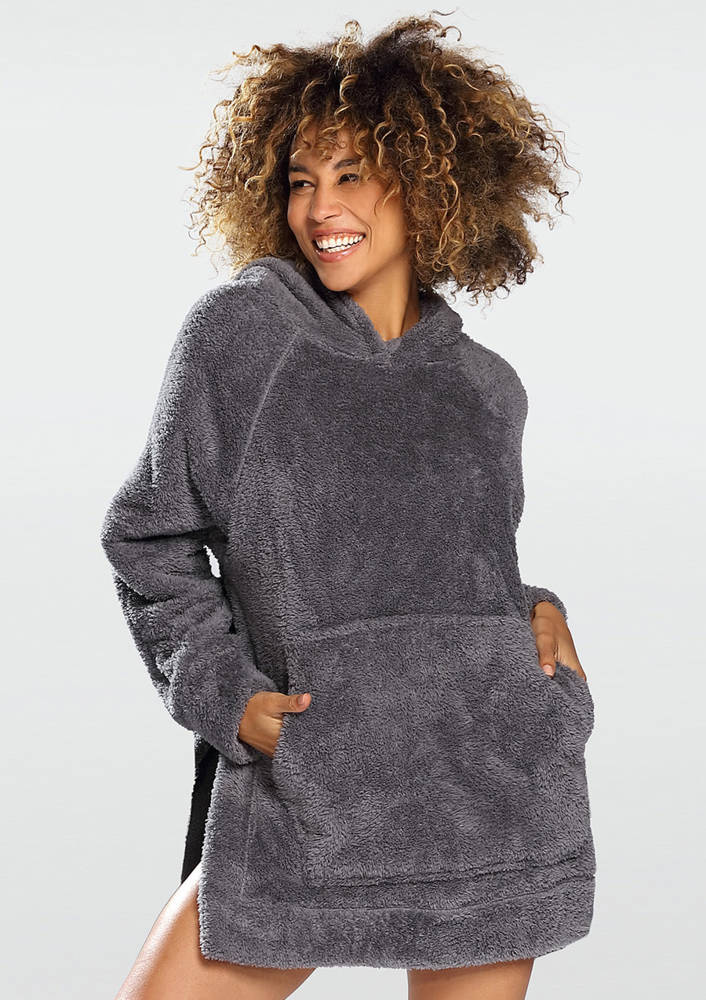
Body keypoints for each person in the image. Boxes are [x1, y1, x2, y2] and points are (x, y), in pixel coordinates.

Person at [100, 15, 595, 1000]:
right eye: (300, 180)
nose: (320, 208)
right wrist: (229, 697)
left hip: (490, 794)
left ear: (429, 182)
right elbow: (148, 541)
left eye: (352, 174)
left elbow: (456, 571)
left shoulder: (486, 388)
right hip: (312, 792)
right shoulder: (240, 337)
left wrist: (538, 616)